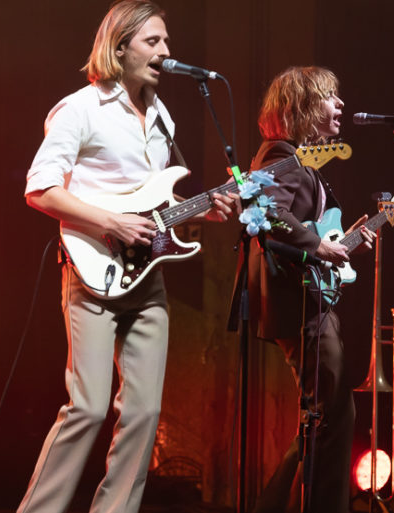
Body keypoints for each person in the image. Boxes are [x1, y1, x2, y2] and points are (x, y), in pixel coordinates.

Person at [19, 2, 236, 512]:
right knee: (89, 408)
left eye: (167, 41)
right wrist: (111, 222)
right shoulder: (80, 109)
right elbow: (40, 189)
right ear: (120, 48)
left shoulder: (162, 118)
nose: (166, 51)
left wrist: (203, 209)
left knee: (144, 412)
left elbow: (152, 204)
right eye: (153, 41)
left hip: (147, 275)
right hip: (91, 269)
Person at [235, 66, 374, 513]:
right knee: (333, 414)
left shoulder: (296, 160)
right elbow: (268, 214)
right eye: (330, 97)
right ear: (304, 107)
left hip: (305, 298)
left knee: (323, 417)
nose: (340, 104)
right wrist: (318, 246)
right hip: (299, 304)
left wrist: (338, 242)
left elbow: (294, 224)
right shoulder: (283, 156)